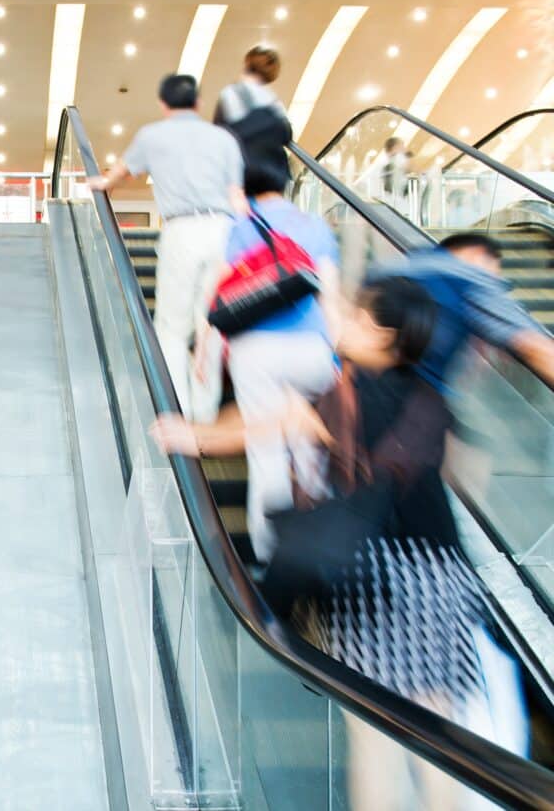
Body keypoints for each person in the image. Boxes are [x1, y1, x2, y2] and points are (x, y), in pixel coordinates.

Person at [153, 276, 526, 809]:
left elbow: (268, 424)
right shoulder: (429, 400)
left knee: (375, 736)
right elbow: (470, 473)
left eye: (354, 317)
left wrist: (191, 436)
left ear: (381, 333)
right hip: (445, 579)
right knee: (437, 736)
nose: (342, 323)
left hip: (375, 579)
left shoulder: (345, 395)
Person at [198, 177, 341, 563]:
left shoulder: (239, 228)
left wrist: (204, 350)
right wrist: (338, 355)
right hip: (312, 348)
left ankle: (270, 553)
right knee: (310, 444)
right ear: (288, 182)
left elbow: (219, 289)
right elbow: (331, 294)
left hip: (255, 350)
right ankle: (320, 542)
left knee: (266, 451)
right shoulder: (315, 225)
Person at [89, 73, 245, 422]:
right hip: (223, 230)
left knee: (172, 328)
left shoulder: (153, 135)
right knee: (212, 323)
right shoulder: (224, 139)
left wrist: (101, 184)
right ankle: (204, 413)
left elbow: (119, 173)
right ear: (198, 103)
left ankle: (178, 409)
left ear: (163, 104)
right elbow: (238, 196)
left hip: (182, 229)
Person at [369, 232, 554, 391]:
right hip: (409, 400)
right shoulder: (467, 279)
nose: (493, 281)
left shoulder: (395, 267)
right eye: (494, 273)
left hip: (368, 386)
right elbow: (533, 345)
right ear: (478, 254)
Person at [214, 45, 292, 197]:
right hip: (272, 176)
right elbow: (286, 133)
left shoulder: (230, 93)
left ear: (247, 64)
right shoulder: (273, 100)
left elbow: (219, 134)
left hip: (241, 174)